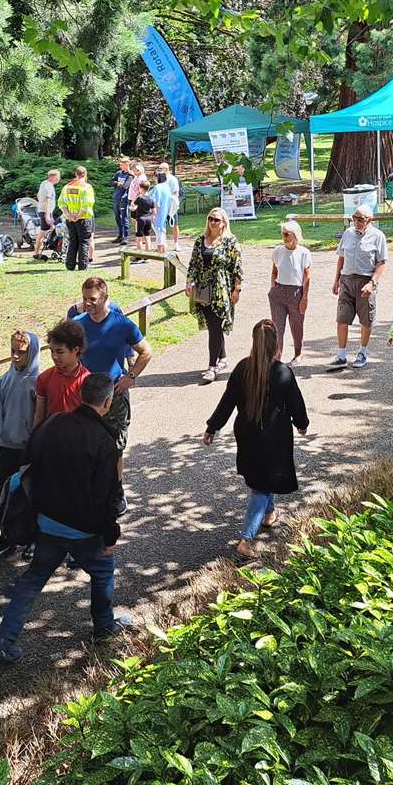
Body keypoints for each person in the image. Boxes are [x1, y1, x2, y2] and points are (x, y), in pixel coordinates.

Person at [0, 374, 130, 666]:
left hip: (48, 523)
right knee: (102, 572)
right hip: (84, 530)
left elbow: (28, 461)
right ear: (107, 401)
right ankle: (103, 627)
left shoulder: (52, 425)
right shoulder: (104, 441)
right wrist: (110, 535)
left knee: (32, 580)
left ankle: (4, 641)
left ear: (80, 395)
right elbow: (108, 497)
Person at [203, 321, 309, 560]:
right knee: (261, 486)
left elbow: (227, 402)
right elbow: (296, 403)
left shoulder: (242, 368)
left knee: (262, 477)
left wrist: (212, 427)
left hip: (247, 435)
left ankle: (269, 514)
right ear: (275, 345)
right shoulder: (282, 372)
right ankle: (246, 539)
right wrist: (302, 423)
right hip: (275, 437)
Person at [73, 277, 152, 464]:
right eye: (84, 298)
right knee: (86, 446)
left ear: (105, 297)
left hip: (114, 394)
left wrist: (131, 376)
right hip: (86, 395)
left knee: (115, 448)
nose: (87, 303)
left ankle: (116, 490)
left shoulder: (122, 324)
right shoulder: (77, 324)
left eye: (92, 299)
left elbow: (146, 351)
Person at [0, 330, 40, 559]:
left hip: (30, 449)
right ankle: (7, 537)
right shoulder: (2, 382)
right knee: (5, 493)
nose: (15, 357)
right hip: (9, 447)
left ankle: (32, 538)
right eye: (12, 351)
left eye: (21, 352)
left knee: (31, 493)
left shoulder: (40, 382)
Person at [187, 210, 244, 383]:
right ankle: (223, 358)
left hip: (222, 289)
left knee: (216, 325)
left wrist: (237, 289)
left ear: (224, 223)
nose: (213, 222)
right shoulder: (200, 240)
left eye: (216, 220)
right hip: (204, 289)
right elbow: (194, 264)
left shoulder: (230, 242)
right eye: (210, 219)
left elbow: (238, 266)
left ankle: (212, 367)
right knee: (214, 327)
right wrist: (189, 281)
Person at [328, 205, 387, 370]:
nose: (356, 221)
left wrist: (372, 283)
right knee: (342, 318)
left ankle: (362, 352)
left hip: (365, 281)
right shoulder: (347, 233)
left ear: (370, 220)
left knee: (366, 319)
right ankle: (341, 355)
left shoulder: (378, 236)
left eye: (360, 219)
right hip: (346, 280)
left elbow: (382, 263)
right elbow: (341, 257)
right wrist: (336, 280)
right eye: (354, 217)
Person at [268, 220, 312, 365]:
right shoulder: (278, 251)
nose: (284, 237)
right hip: (279, 292)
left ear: (295, 235)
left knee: (296, 325)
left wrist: (304, 297)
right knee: (277, 327)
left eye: (287, 234)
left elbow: (307, 276)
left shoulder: (304, 253)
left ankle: (298, 354)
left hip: (296, 292)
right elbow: (274, 271)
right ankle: (276, 357)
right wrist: (273, 288)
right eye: (283, 234)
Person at [33, 320, 90, 426]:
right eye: (52, 351)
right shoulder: (44, 378)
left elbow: (91, 418)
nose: (54, 356)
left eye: (60, 352)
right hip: (51, 436)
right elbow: (39, 415)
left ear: (76, 350)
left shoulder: (87, 380)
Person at [60, 165, 96, 272]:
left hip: (70, 219)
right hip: (84, 219)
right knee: (84, 242)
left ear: (76, 174)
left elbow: (61, 203)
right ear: (85, 175)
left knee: (72, 241)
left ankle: (70, 265)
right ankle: (82, 266)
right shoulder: (87, 187)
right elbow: (86, 205)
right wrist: (78, 216)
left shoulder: (67, 187)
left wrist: (69, 216)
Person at [33, 169, 60, 260]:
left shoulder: (44, 183)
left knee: (51, 229)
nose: (59, 178)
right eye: (58, 177)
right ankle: (37, 253)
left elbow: (38, 195)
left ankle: (45, 246)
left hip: (43, 210)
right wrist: (47, 214)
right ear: (53, 177)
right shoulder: (49, 186)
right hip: (45, 212)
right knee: (44, 231)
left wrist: (41, 203)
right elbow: (48, 200)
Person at [148, 167, 177, 254]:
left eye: (155, 176)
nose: (154, 178)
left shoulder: (157, 187)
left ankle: (160, 252)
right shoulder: (166, 186)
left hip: (158, 212)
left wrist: (153, 213)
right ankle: (163, 251)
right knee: (162, 230)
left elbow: (156, 202)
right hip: (164, 211)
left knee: (159, 231)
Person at [111, 157, 134, 244]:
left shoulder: (130, 175)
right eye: (120, 164)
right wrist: (117, 183)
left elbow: (126, 186)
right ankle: (120, 235)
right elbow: (111, 182)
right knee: (117, 217)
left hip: (124, 199)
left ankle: (126, 237)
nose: (121, 166)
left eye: (122, 164)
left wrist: (119, 184)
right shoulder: (118, 173)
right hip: (116, 197)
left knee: (124, 218)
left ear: (127, 164)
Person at [130, 183, 156, 253]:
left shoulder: (140, 197)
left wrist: (132, 207)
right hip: (148, 219)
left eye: (139, 188)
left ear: (141, 189)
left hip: (141, 219)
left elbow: (133, 207)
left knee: (139, 238)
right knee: (147, 236)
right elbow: (154, 211)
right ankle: (147, 255)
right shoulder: (151, 199)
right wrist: (152, 217)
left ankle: (139, 256)